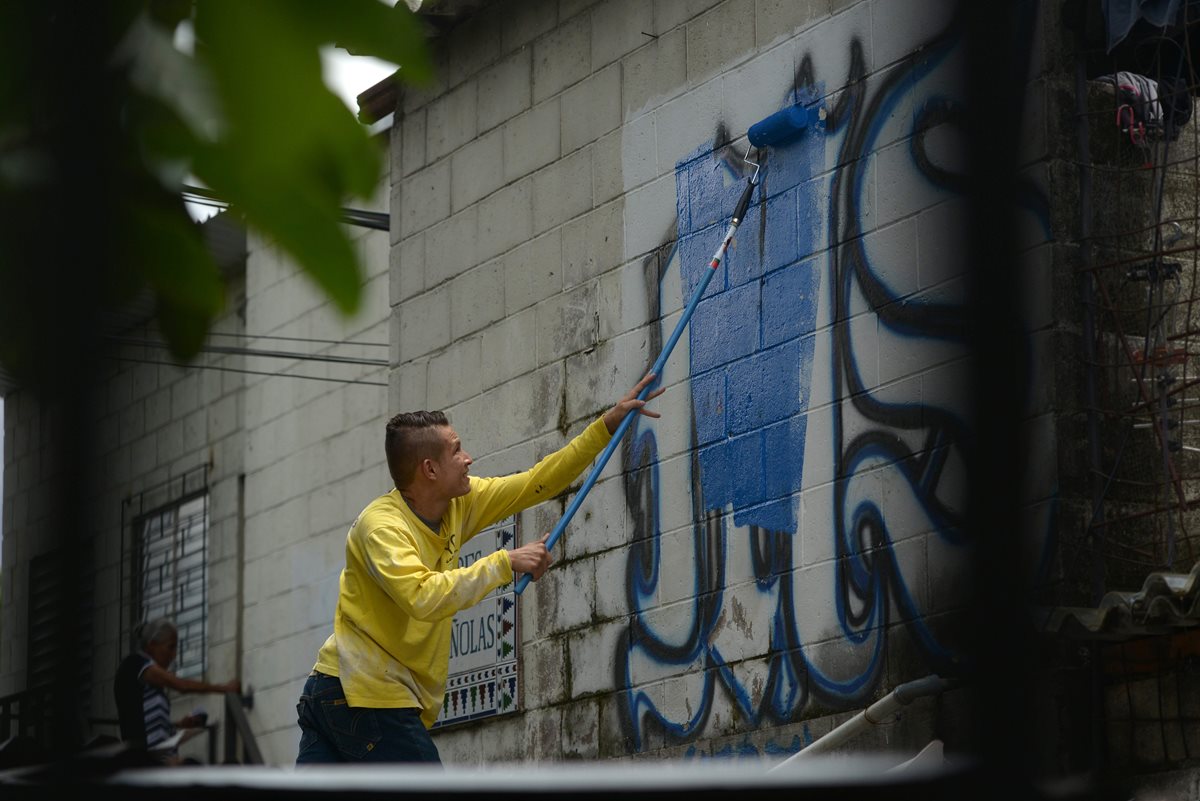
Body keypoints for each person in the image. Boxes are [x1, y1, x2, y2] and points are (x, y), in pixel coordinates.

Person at [295, 373, 664, 765]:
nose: (467, 458)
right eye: (456, 450)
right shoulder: (382, 527)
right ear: (429, 469)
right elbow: (423, 597)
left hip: (343, 693)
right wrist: (505, 562)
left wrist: (607, 425)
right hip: (360, 693)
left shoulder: (459, 505)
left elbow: (537, 482)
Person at [114, 617, 241, 765]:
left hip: (161, 759)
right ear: (152, 646)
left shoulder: (149, 685)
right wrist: (224, 688)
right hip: (145, 761)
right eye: (170, 647)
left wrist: (179, 724)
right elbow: (182, 685)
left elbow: (151, 722)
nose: (174, 655)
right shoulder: (135, 664)